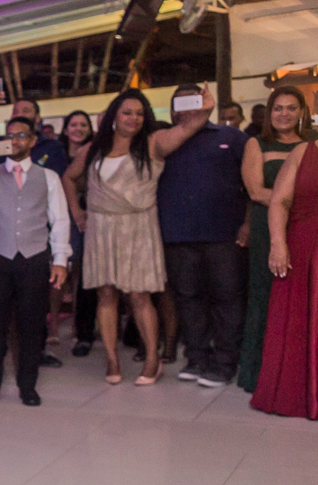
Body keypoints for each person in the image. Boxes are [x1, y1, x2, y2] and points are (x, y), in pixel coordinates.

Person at [64, 85, 215, 385]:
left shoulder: (153, 143)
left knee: (139, 296)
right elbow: (68, 177)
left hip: (138, 227)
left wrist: (206, 109)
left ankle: (151, 358)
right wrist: (77, 212)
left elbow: (187, 129)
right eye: (127, 112)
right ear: (113, 116)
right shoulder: (93, 148)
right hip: (102, 228)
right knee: (105, 294)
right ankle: (111, 357)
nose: (133, 118)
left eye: (139, 113)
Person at [0, 117, 70, 406]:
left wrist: (60, 259)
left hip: (34, 259)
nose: (15, 140)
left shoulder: (48, 177)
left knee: (31, 326)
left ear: (33, 141)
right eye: (10, 135)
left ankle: (28, 386)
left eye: (21, 135)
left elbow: (59, 220)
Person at [156, 84, 249, 388]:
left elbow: (251, 184)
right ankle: (196, 358)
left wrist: (247, 224)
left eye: (195, 101)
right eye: (181, 103)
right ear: (172, 110)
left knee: (227, 299)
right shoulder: (164, 141)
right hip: (178, 235)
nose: (188, 107)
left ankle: (224, 363)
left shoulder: (231, 138)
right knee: (187, 298)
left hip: (224, 234)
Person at [238, 86, 315, 392]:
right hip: (268, 228)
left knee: (304, 296)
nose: (284, 114)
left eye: (291, 108)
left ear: (301, 112)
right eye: (278, 108)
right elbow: (256, 191)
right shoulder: (257, 144)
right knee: (265, 295)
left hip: (307, 229)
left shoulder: (313, 142)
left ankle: (301, 372)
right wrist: (295, 205)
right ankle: (258, 374)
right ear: (269, 113)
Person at [251, 136, 318, 419]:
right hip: (302, 250)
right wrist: (278, 244)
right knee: (298, 321)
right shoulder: (303, 152)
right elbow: (280, 201)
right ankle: (301, 394)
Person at [58, 110, 98, 357]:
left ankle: (83, 329)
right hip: (63, 219)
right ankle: (60, 328)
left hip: (87, 219)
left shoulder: (95, 152)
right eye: (73, 124)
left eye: (84, 124)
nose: (79, 128)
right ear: (65, 129)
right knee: (64, 273)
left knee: (85, 275)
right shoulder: (56, 153)